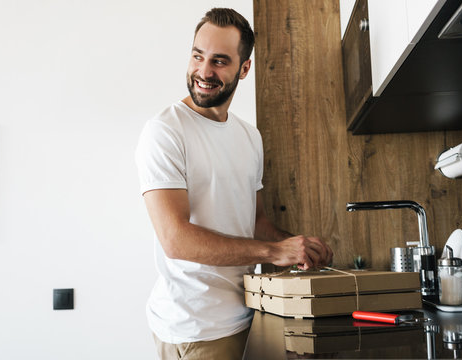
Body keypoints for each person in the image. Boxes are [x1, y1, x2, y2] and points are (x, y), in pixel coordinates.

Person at [135, 8, 333, 360]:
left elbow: (255, 222)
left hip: (245, 314)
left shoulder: (249, 137)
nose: (204, 71)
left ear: (244, 68)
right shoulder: (164, 132)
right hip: (194, 327)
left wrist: (297, 247)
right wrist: (275, 252)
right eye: (198, 55)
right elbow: (175, 239)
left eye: (220, 61)